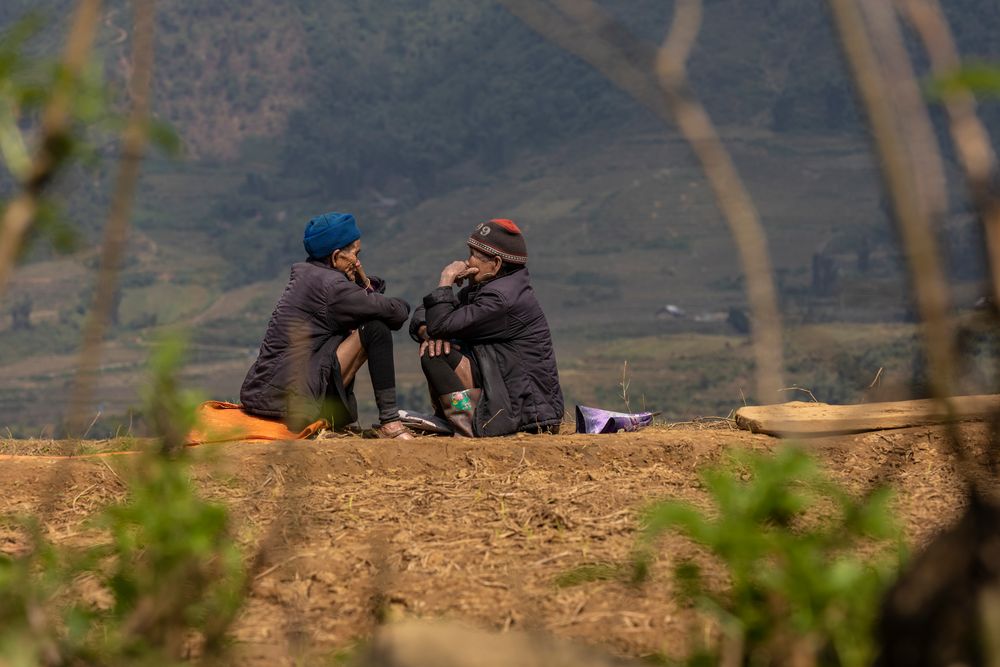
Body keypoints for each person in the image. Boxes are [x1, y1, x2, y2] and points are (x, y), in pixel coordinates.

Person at [240, 212, 414, 439]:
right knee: (375, 329)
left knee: (362, 326)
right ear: (335, 257)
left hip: (272, 392)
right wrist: (367, 286)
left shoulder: (312, 277)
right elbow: (396, 313)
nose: (358, 262)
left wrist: (363, 283)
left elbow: (368, 303)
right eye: (355, 254)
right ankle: (390, 421)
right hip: (290, 398)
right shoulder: (332, 287)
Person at [409, 218, 564, 437]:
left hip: (527, 415)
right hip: (507, 394)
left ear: (496, 264)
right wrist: (428, 332)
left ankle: (467, 428)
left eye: (474, 255)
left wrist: (445, 281)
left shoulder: (500, 299)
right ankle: (459, 420)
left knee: (435, 355)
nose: (467, 261)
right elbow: (427, 313)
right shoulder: (490, 288)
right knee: (438, 346)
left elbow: (442, 323)